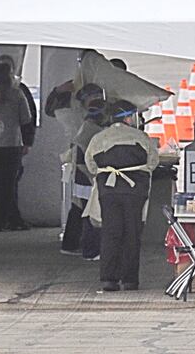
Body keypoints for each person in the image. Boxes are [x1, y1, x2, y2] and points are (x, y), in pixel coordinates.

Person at [85, 100, 159, 291]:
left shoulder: (99, 138)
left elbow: (91, 164)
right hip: (135, 190)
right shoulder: (141, 137)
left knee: (110, 232)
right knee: (132, 233)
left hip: (108, 190)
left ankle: (109, 279)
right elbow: (152, 162)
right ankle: (130, 280)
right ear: (128, 117)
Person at [60, 85, 107, 257]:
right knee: (89, 211)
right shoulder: (91, 129)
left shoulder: (85, 124)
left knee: (79, 208)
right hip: (85, 173)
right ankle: (88, 248)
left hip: (82, 172)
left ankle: (71, 244)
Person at [0, 62, 33, 231]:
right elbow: (26, 120)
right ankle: (12, 219)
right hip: (12, 144)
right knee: (10, 185)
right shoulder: (17, 94)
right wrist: (28, 142)